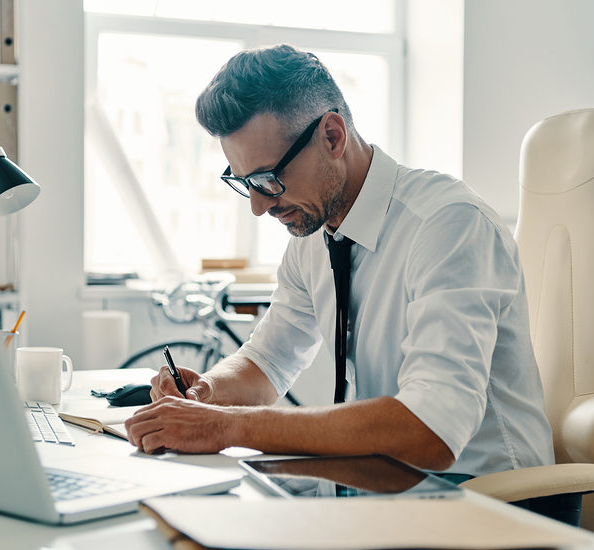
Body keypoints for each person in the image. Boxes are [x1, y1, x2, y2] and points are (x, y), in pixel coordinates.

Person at [125, 44, 554, 477]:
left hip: (490, 499)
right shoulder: (313, 233)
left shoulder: (449, 225)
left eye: (268, 179)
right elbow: (266, 362)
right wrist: (206, 394)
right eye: (244, 183)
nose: (258, 206)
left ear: (332, 136)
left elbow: (431, 430)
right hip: (386, 486)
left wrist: (226, 426)